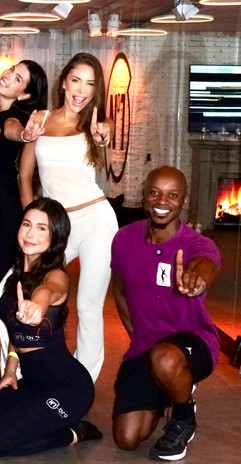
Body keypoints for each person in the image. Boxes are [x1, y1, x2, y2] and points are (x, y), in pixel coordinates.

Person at [0, 198, 101, 456]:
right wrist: (9, 371)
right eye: (27, 224)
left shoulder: (56, 275)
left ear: (55, 236)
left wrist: (37, 306)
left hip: (69, 389)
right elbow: (15, 333)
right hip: (31, 384)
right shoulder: (15, 277)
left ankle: (75, 432)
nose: (30, 233)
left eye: (41, 228)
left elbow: (49, 290)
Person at [111, 166, 221, 461]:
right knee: (127, 438)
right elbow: (119, 290)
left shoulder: (197, 244)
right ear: (144, 195)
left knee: (165, 357)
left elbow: (205, 264)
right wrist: (137, 336)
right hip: (147, 347)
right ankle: (170, 386)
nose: (162, 201)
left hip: (193, 340)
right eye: (155, 192)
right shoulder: (124, 239)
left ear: (184, 200)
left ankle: (184, 416)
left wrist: (196, 279)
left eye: (173, 195)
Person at [19, 52, 116, 383]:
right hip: (57, 224)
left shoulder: (97, 125)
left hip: (96, 220)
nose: (82, 90)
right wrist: (32, 223)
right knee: (15, 289)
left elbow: (107, 156)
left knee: (88, 305)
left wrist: (103, 139)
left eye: (90, 84)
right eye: (76, 80)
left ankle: (82, 382)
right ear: (64, 82)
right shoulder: (40, 118)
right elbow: (25, 176)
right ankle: (17, 370)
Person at [0, 60, 48, 282]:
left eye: (18, 79)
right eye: (12, 70)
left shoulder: (16, 117)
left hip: (4, 204)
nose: (8, 75)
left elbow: (11, 128)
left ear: (24, 95)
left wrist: (25, 135)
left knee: (7, 271)